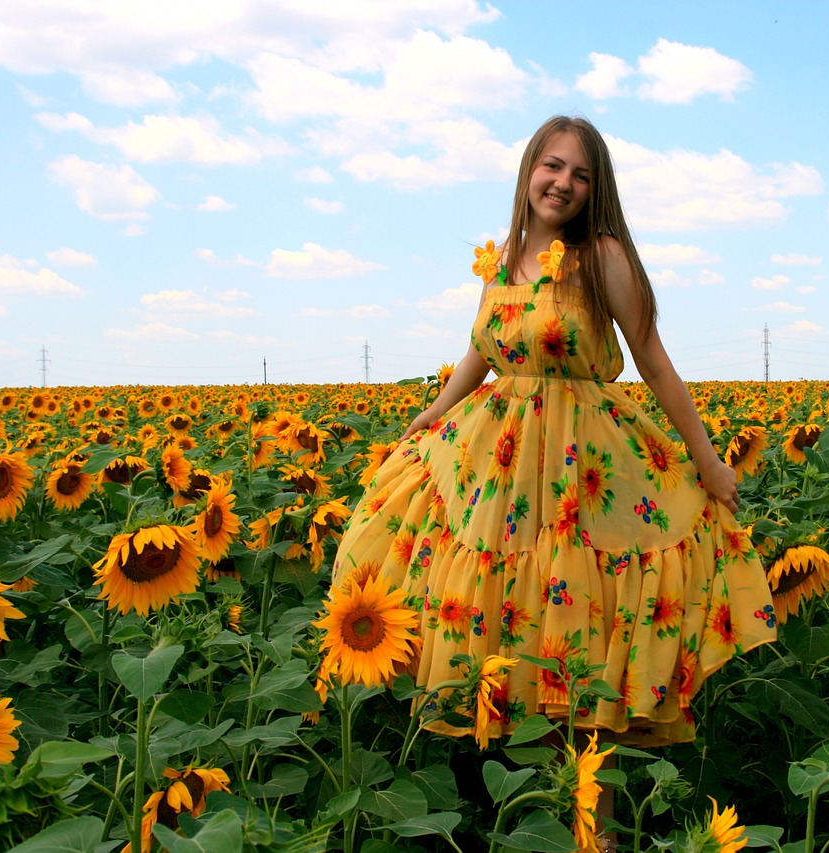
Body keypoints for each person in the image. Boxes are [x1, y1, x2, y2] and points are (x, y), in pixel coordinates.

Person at [332, 115, 775, 749]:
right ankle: (533, 780)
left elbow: (652, 357)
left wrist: (706, 461)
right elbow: (480, 351)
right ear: (529, 171)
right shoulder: (501, 258)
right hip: (500, 458)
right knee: (511, 601)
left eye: (581, 175)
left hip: (584, 459)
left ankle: (597, 818)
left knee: (583, 601)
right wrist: (437, 410)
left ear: (597, 190)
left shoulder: (603, 257)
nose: (562, 183)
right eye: (552, 166)